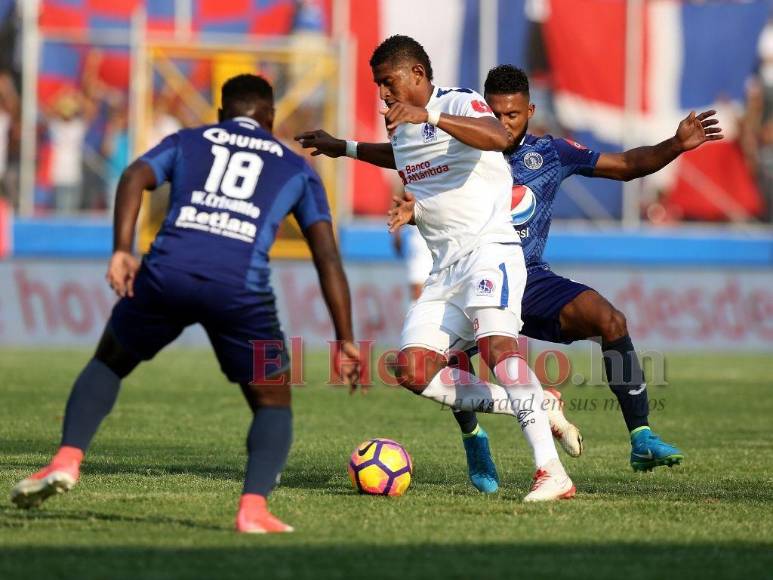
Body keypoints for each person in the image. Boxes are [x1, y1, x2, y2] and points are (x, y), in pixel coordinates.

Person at [11, 74, 361, 533]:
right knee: (273, 401)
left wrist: (122, 250)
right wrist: (346, 339)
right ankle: (252, 509)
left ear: (221, 114)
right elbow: (327, 255)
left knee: (109, 362)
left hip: (167, 272)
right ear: (271, 118)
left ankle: (66, 459)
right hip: (241, 289)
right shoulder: (297, 168)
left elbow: (135, 175)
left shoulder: (190, 138)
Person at [391, 65, 723, 473]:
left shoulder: (549, 153)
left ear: (529, 111)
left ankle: (641, 436)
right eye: (492, 114)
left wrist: (674, 144)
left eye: (511, 115)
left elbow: (624, 165)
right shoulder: (459, 145)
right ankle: (474, 438)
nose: (502, 124)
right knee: (439, 363)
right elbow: (409, 169)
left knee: (610, 320)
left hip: (529, 278)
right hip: (473, 271)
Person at [297, 35, 575, 501]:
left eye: (388, 82)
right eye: (378, 85)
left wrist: (426, 114)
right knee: (412, 369)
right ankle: (534, 402)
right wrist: (342, 146)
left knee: (498, 349)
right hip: (445, 269)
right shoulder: (399, 126)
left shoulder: (458, 101)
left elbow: (498, 137)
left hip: (490, 250)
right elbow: (407, 157)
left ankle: (551, 472)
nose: (383, 93)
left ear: (418, 75)